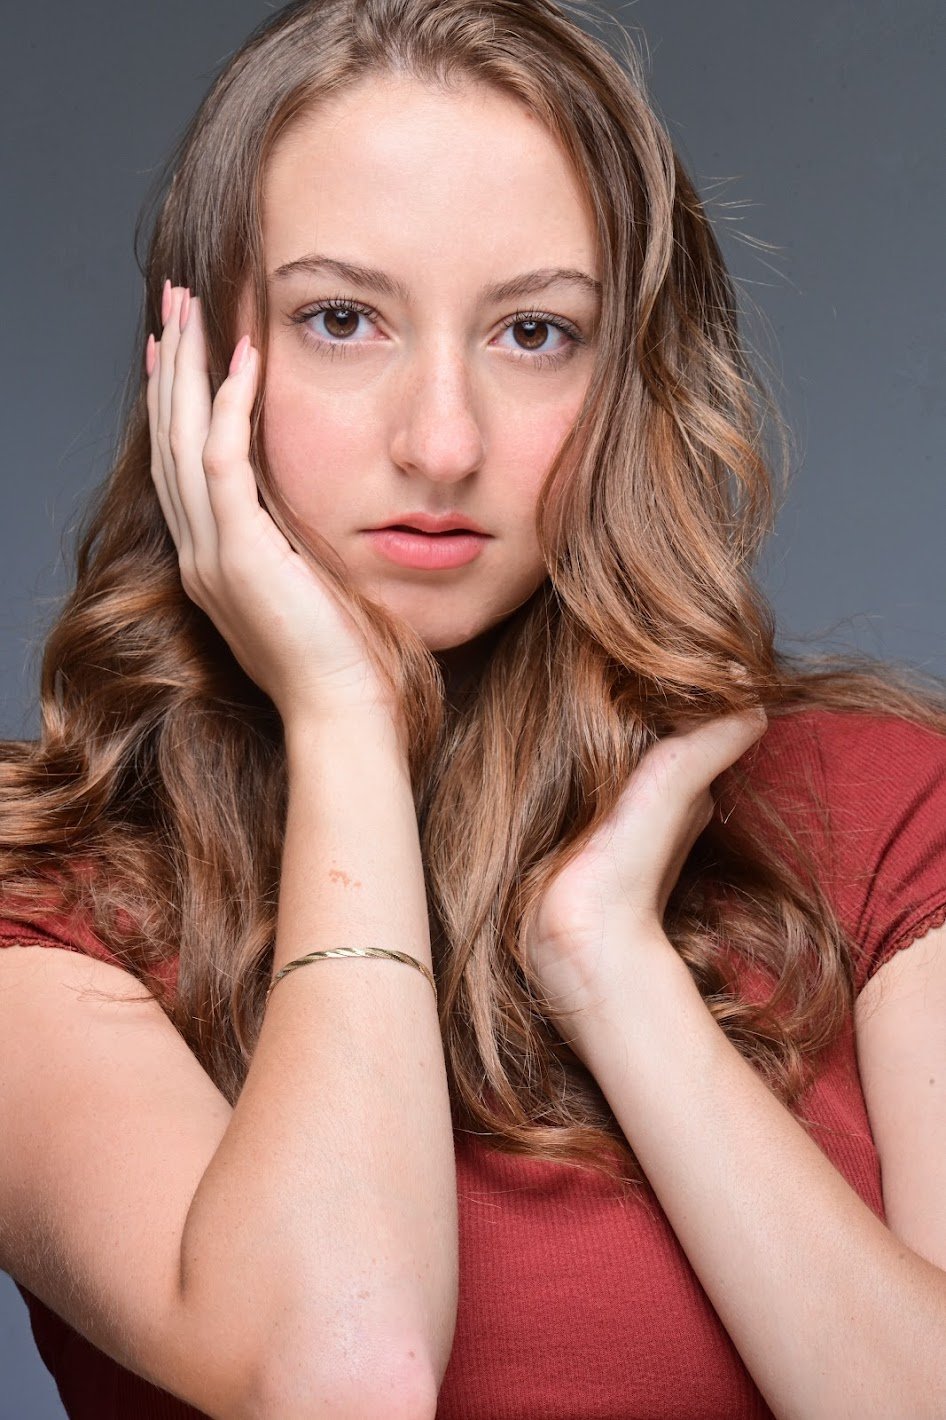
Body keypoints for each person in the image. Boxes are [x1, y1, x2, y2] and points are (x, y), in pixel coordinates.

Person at [2, 1, 945, 1416]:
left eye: (532, 332)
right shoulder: (46, 903)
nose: (439, 443)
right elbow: (335, 1377)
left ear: (626, 377)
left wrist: (609, 967)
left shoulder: (877, 811)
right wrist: (340, 724)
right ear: (194, 364)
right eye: (340, 319)